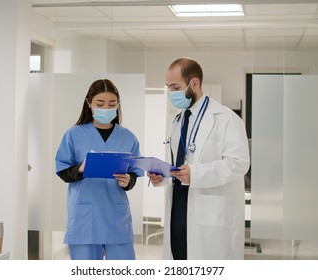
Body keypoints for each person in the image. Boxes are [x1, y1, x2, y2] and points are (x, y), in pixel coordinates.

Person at [147, 57, 250, 260]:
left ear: (194, 83)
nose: (171, 93)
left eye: (175, 86)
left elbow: (239, 163)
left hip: (209, 214)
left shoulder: (226, 118)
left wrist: (196, 173)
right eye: (168, 87)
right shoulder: (177, 120)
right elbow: (179, 162)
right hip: (177, 208)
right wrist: (163, 177)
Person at [55, 79, 143, 260]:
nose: (106, 108)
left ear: (118, 104)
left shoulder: (128, 137)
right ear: (89, 103)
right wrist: (80, 169)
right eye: (100, 104)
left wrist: (128, 181)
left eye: (112, 104)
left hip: (115, 216)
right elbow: (63, 171)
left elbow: (134, 172)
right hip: (85, 216)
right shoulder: (74, 134)